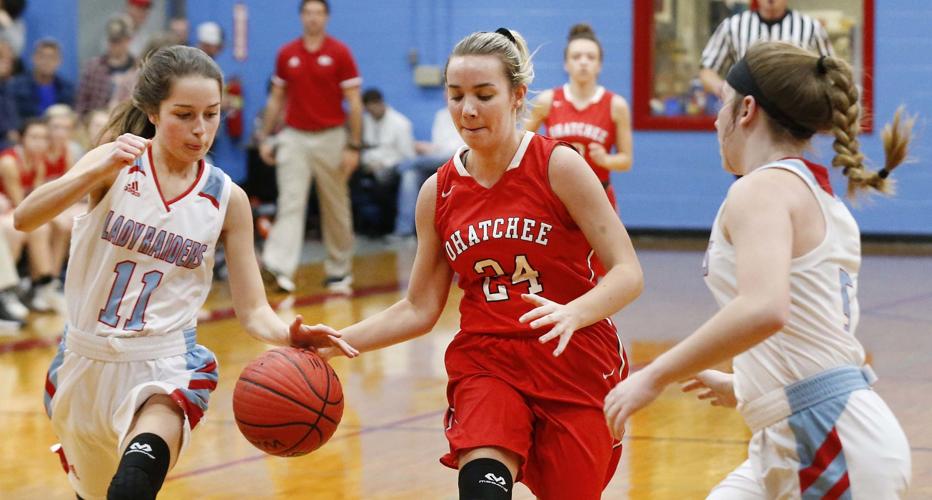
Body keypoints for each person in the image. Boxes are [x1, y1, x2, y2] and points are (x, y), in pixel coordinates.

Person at [309, 28, 643, 499]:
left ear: (517, 96)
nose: (468, 110)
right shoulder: (439, 191)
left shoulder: (559, 167)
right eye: (456, 95)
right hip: (489, 361)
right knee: (482, 484)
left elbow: (628, 272)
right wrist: (334, 342)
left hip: (573, 358)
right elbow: (420, 307)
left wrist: (574, 311)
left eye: (484, 95)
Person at [13, 45, 357, 500]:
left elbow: (253, 309)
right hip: (83, 360)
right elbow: (25, 218)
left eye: (211, 115)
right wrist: (93, 170)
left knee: (133, 487)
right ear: (152, 111)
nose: (200, 130)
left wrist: (287, 333)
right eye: (184, 114)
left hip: (165, 362)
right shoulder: (113, 165)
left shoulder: (226, 198)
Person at [604, 41, 914, 498]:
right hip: (802, 429)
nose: (714, 119)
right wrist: (749, 386)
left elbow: (765, 308)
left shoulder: (762, 188)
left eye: (721, 104)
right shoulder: (815, 194)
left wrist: (656, 374)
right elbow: (813, 322)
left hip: (826, 438)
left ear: (746, 109)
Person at [256, 0, 362, 295]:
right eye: (308, 13)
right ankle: (278, 268)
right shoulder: (287, 53)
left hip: (332, 137)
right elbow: (277, 99)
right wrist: (265, 137)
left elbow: (354, 102)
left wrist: (354, 145)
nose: (313, 18)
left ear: (326, 18)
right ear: (301, 17)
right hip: (294, 136)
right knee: (290, 201)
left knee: (336, 204)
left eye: (318, 13)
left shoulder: (340, 53)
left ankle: (339, 271)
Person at [526, 23, 633, 209]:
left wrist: (606, 160)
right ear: (566, 64)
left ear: (599, 65)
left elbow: (626, 160)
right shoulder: (547, 101)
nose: (583, 62)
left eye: (591, 57)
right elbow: (521, 145)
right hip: (556, 195)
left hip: (599, 194)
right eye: (576, 57)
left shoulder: (616, 105)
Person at [699, 0, 834, 97]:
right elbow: (707, 69)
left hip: (795, 110)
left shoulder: (811, 27)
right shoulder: (732, 26)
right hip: (746, 108)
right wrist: (722, 89)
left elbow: (832, 70)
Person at [0, 118, 64, 313]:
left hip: (14, 209)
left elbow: (38, 198)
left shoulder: (38, 162)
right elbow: (23, 206)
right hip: (9, 209)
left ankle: (41, 284)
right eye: (34, 137)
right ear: (21, 139)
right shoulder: (9, 162)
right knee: (20, 229)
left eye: (44, 138)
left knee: (49, 226)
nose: (40, 142)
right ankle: (8, 290)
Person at [391, 107, 463, 239]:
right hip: (437, 159)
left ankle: (402, 165)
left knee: (413, 164)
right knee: (410, 176)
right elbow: (438, 145)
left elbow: (458, 148)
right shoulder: (441, 115)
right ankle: (404, 231)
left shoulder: (468, 112)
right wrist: (426, 147)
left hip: (459, 157)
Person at [353, 87, 414, 236]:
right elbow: (365, 147)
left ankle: (384, 226)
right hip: (368, 165)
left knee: (382, 180)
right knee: (350, 178)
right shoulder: (366, 121)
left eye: (374, 107)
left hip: (392, 166)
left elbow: (407, 156)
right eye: (368, 109)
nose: (371, 112)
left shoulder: (400, 123)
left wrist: (384, 164)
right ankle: (359, 225)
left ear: (381, 103)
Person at [75, 14, 135, 116]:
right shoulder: (93, 67)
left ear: (128, 40)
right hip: (96, 125)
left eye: (118, 41)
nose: (114, 45)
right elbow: (81, 104)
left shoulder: (137, 69)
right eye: (111, 40)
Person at [8, 38, 75, 120]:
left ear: (59, 61)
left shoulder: (67, 89)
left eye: (52, 57)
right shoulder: (15, 86)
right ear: (33, 58)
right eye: (42, 57)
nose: (47, 61)